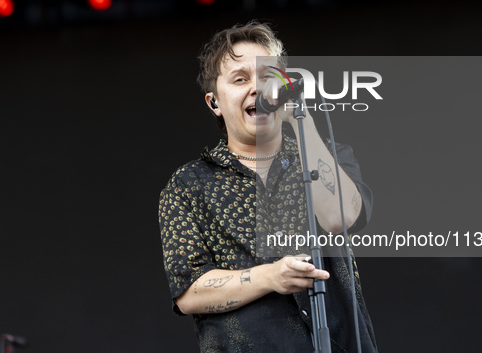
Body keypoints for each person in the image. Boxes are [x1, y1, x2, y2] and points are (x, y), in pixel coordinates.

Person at [159, 21, 377, 352]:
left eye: (267, 76)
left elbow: (341, 217)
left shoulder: (326, 154)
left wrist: (301, 119)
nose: (257, 88)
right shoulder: (189, 185)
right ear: (214, 102)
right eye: (240, 79)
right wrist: (270, 277)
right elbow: (190, 292)